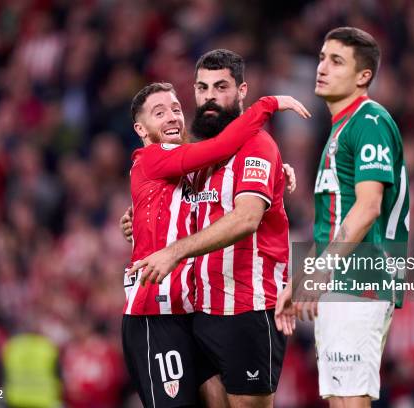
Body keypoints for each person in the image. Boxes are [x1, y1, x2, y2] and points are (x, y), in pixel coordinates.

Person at [122, 80, 309, 408]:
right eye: (159, 112)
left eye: (176, 109)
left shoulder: (188, 172)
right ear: (141, 128)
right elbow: (223, 147)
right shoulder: (153, 158)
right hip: (154, 312)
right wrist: (266, 104)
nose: (171, 117)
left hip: (190, 312)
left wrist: (276, 171)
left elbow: (218, 184)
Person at [275, 27, 410, 408]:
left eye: (336, 61)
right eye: (321, 58)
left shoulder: (369, 121)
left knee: (350, 400)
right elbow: (335, 222)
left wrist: (323, 270)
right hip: (341, 281)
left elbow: (368, 207)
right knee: (341, 399)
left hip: (360, 280)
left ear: (363, 76)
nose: (322, 67)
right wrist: (303, 277)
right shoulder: (340, 129)